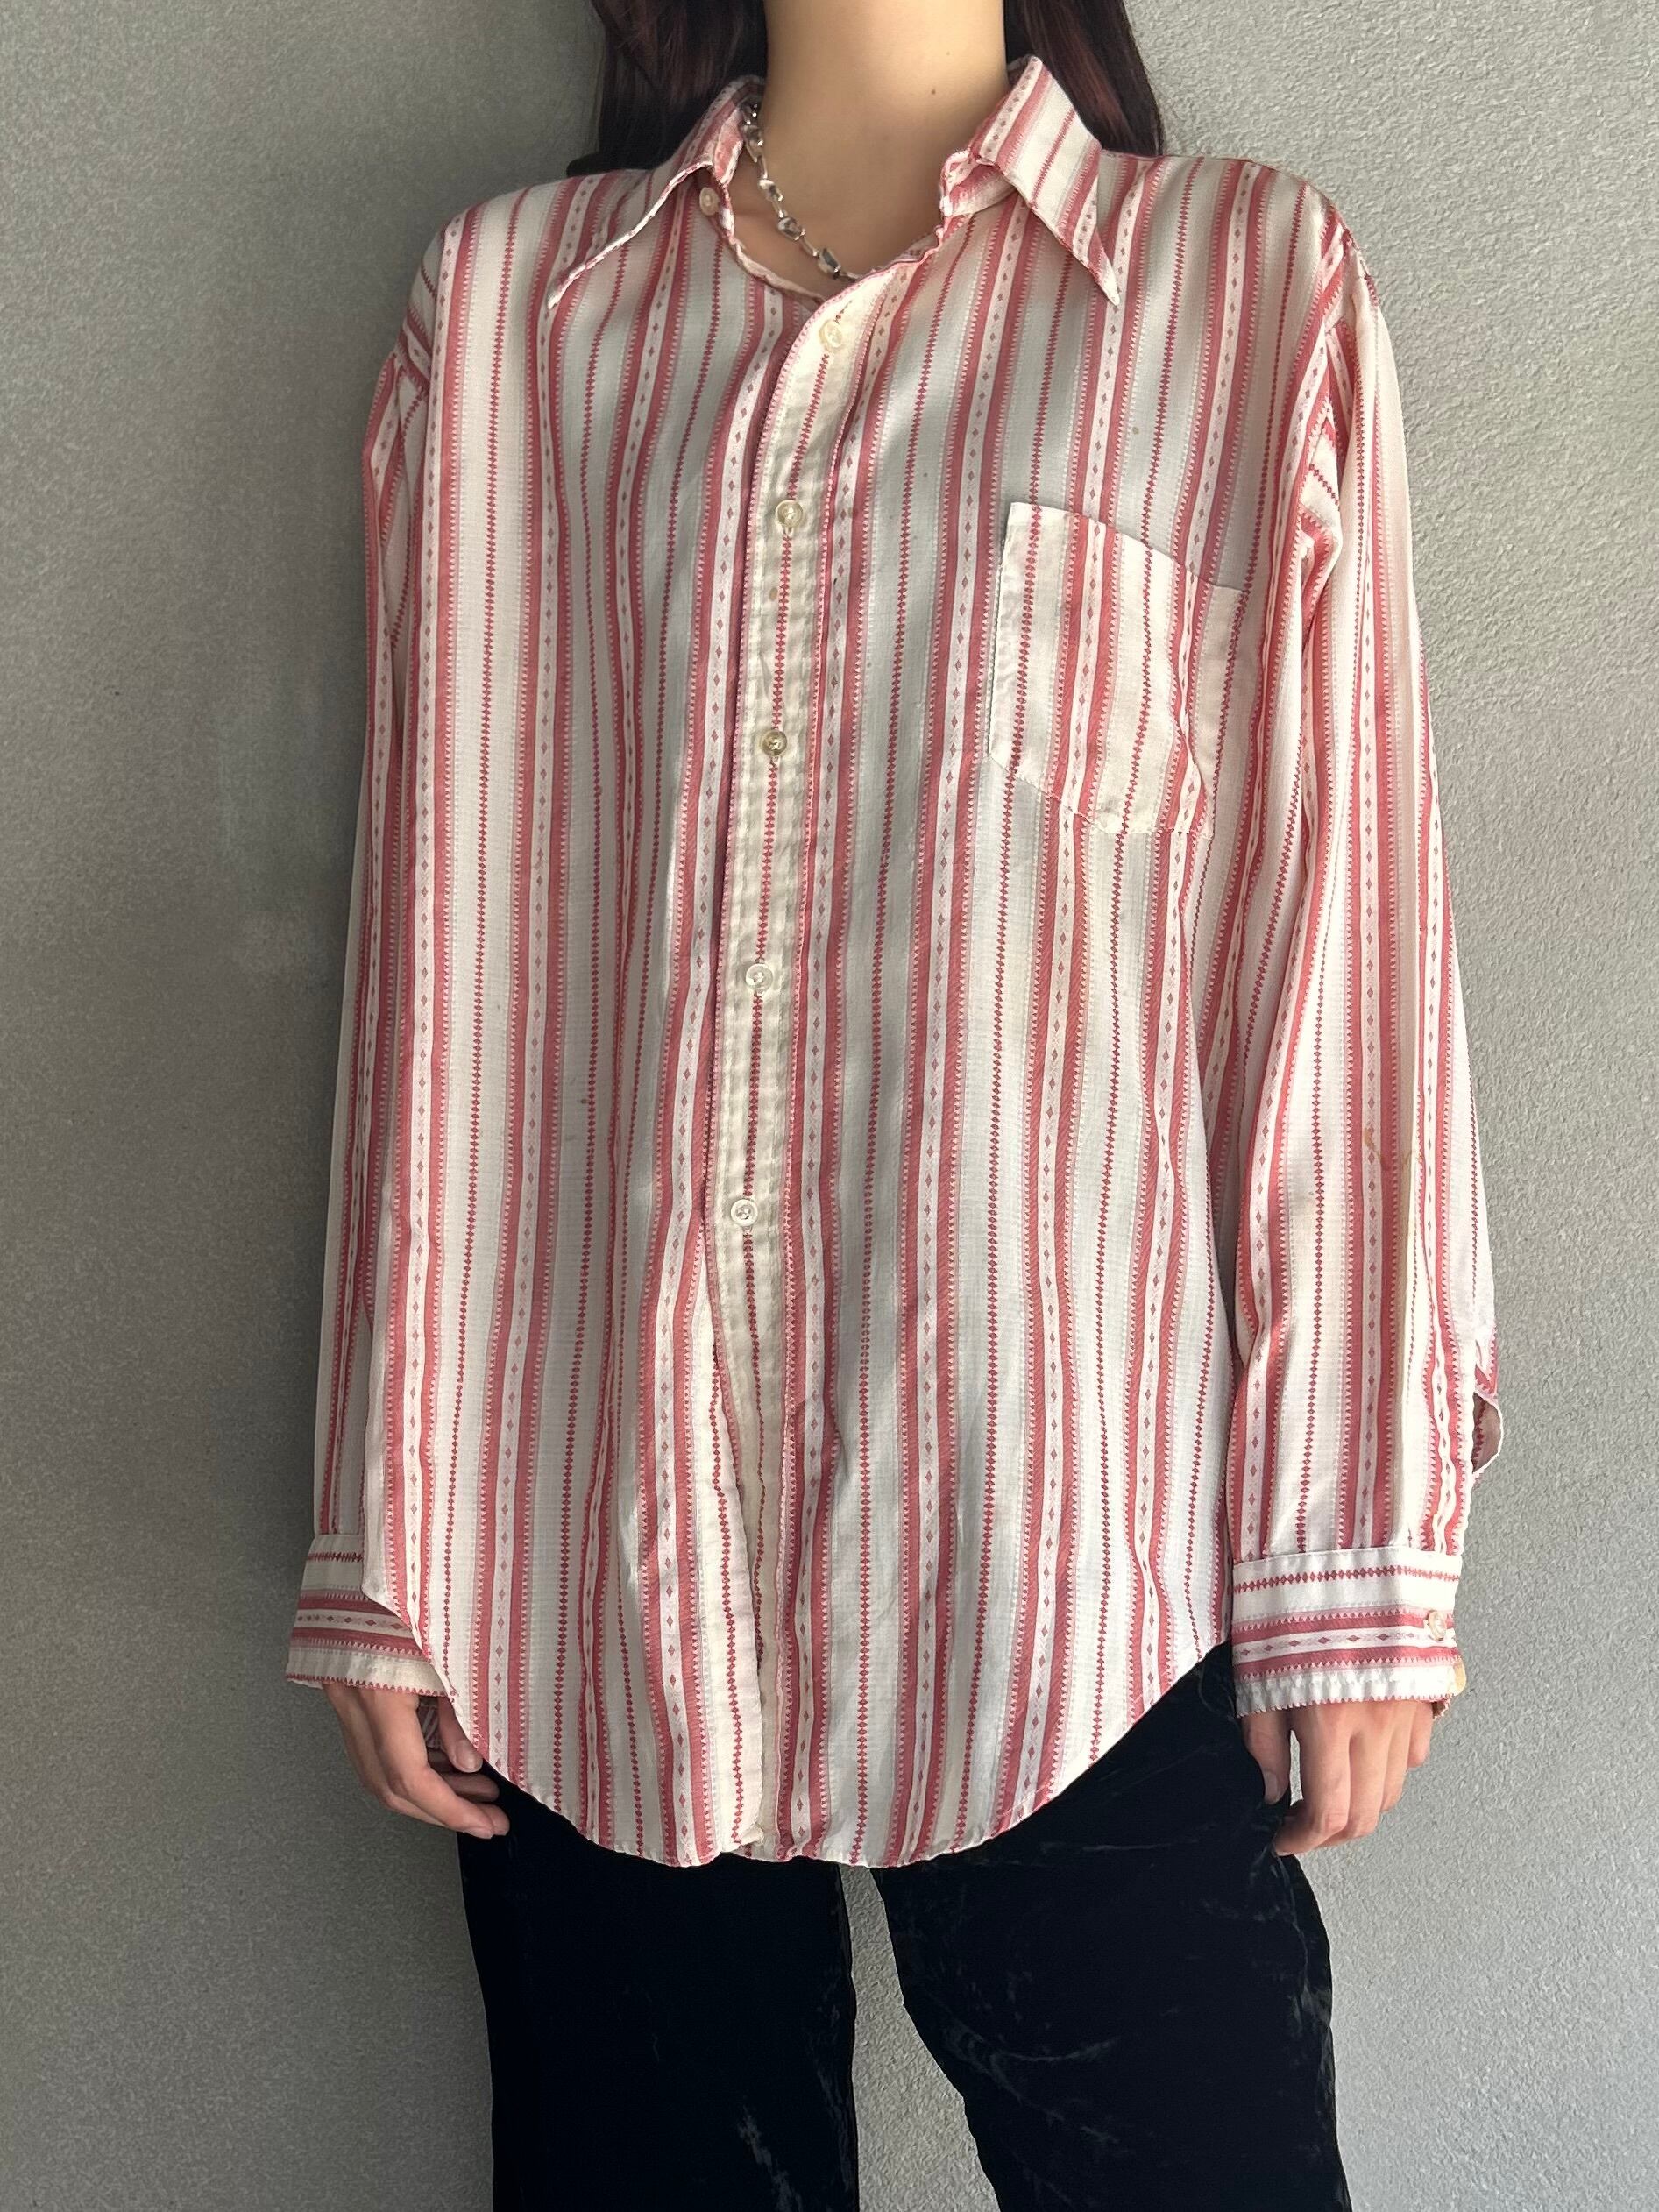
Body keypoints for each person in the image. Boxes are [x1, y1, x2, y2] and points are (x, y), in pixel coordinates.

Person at [284, 2, 1507, 2203]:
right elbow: (443, 935)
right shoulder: (508, 312)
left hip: (1081, 1558)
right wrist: (395, 1524)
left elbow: (1336, 928)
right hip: (583, 1570)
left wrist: (1353, 1552)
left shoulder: (1235, 287)